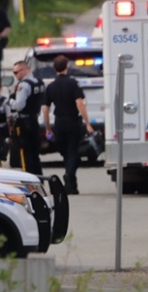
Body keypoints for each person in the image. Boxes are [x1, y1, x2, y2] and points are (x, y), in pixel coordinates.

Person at [42, 55, 94, 195]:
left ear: (54, 69)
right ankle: (69, 174)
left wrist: (48, 128)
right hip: (72, 122)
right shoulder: (73, 84)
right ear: (67, 67)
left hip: (59, 123)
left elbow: (45, 109)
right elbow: (79, 103)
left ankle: (71, 185)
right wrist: (87, 123)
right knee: (73, 152)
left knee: (66, 153)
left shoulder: (51, 87)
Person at [8, 61, 45, 175]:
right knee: (35, 154)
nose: (15, 75)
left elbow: (19, 105)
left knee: (25, 154)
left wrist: (10, 101)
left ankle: (29, 183)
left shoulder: (23, 85)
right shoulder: (39, 82)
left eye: (16, 72)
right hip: (35, 121)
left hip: (24, 123)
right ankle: (39, 180)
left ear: (23, 71)